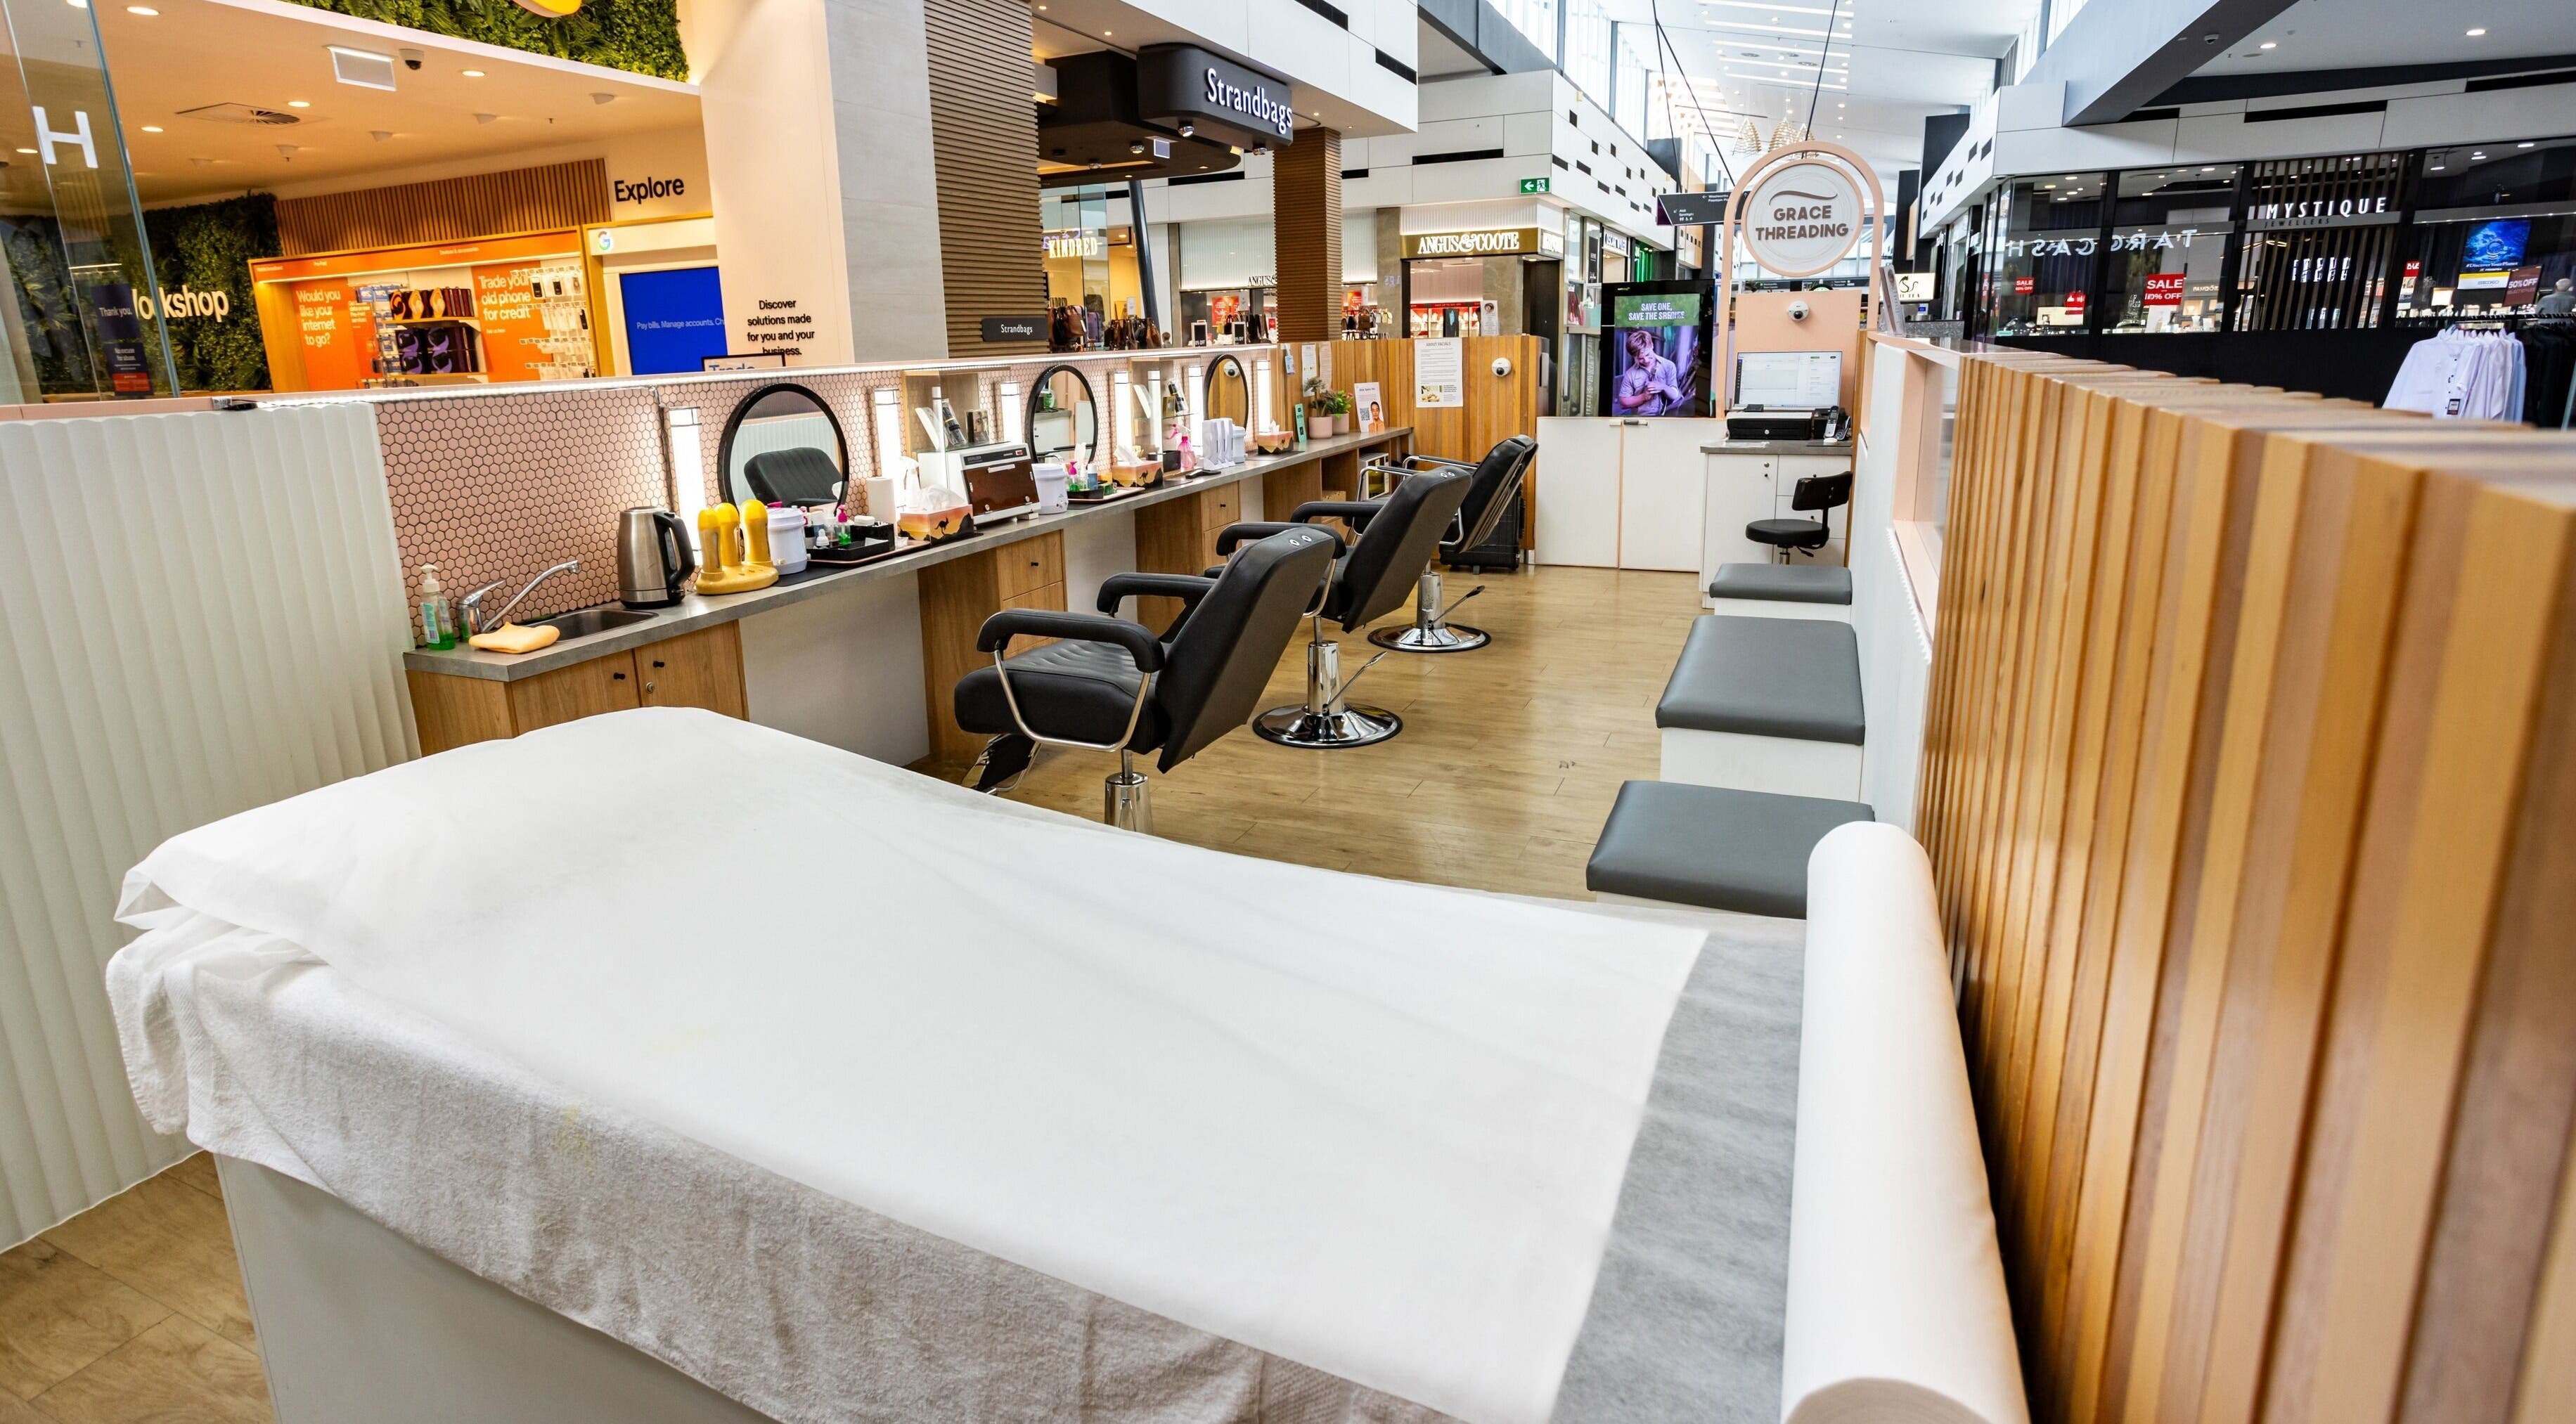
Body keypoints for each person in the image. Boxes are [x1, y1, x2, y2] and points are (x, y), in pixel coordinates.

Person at [1613, 327, 1683, 415]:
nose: (1646, 360)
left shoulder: (1668, 366)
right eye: (1640, 358)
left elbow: (1675, 395)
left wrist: (1663, 387)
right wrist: (1644, 397)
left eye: (1648, 355)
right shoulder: (1630, 374)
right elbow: (1623, 403)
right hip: (1642, 421)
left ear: (1652, 346)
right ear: (1634, 356)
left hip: (1666, 418)